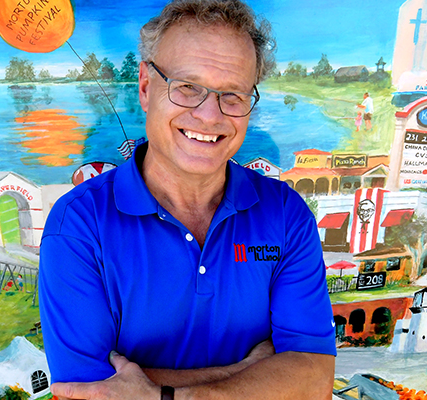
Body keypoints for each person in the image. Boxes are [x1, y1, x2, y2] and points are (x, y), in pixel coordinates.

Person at [38, 1, 337, 399]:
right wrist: (248, 372)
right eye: (188, 87)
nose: (209, 115)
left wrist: (175, 395)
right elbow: (87, 391)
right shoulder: (78, 224)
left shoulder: (285, 213)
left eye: (233, 95)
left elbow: (314, 378)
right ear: (146, 87)